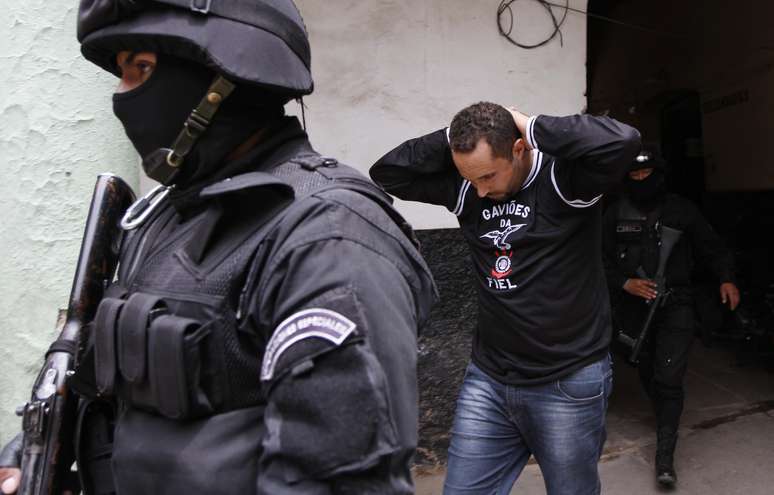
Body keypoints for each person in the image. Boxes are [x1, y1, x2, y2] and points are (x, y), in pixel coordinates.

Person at [0, 1, 437, 494]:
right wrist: (36, 452)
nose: (122, 96)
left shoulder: (327, 235)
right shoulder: (166, 215)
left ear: (223, 82)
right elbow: (118, 396)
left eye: (141, 68)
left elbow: (339, 479)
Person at [370, 102, 641, 495]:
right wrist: (456, 133)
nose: (480, 190)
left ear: (517, 150)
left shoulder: (566, 181)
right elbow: (388, 172)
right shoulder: (468, 190)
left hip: (567, 382)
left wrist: (530, 126)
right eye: (470, 178)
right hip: (490, 380)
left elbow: (623, 141)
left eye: (487, 176)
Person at [602, 146, 739, 487]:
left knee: (669, 377)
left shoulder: (681, 210)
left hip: (676, 303)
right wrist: (625, 283)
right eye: (633, 176)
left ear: (659, 176)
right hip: (633, 307)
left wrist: (726, 278)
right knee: (645, 367)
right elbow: (595, 260)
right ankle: (665, 412)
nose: (640, 181)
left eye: (646, 176)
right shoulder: (615, 212)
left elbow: (712, 246)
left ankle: (665, 456)